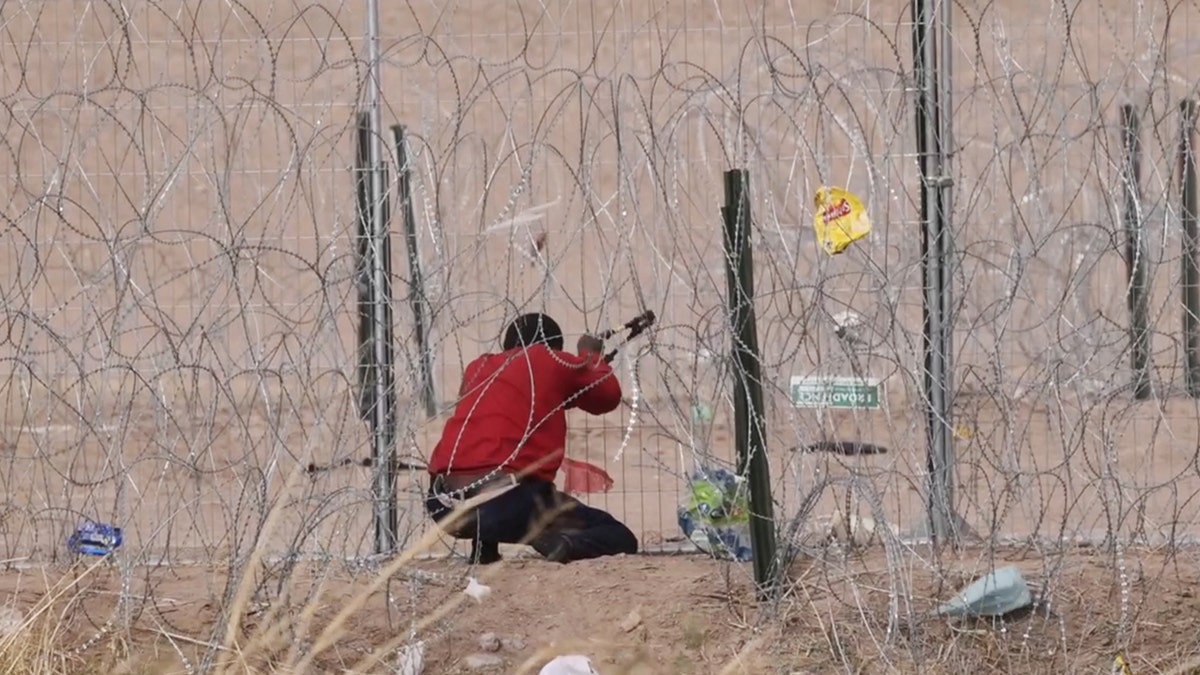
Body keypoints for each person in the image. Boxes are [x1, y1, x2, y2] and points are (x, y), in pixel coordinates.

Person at [425, 312, 640, 565]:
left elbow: (522, 407)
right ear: (555, 349)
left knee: (492, 462)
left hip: (443, 505)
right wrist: (590, 355)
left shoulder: (479, 367)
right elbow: (608, 396)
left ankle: (484, 548)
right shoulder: (547, 359)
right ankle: (563, 543)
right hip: (504, 506)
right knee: (618, 536)